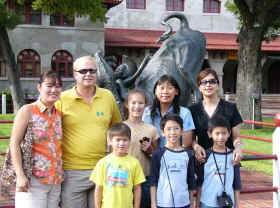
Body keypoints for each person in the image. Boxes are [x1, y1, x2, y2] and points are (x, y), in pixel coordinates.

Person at [56, 56, 122, 208]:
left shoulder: (107, 96)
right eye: (83, 71)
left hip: (102, 168)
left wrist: (115, 161)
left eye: (92, 70)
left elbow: (117, 130)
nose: (88, 74)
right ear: (74, 74)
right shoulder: (62, 99)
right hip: (72, 171)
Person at [9, 69, 64, 208]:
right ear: (39, 87)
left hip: (55, 180)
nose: (54, 90)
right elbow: (14, 143)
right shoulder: (27, 111)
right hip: (33, 180)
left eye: (57, 86)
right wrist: (20, 175)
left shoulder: (58, 114)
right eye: (49, 85)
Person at [189, 69, 243, 165]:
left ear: (218, 85)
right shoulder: (193, 110)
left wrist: (238, 149)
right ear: (199, 87)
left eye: (212, 81)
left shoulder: (230, 108)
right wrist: (196, 147)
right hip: (204, 160)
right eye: (204, 82)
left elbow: (236, 137)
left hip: (228, 160)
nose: (208, 85)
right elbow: (191, 138)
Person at [90, 122, 146, 208]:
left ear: (130, 141)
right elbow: (99, 188)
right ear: (110, 141)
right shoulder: (103, 162)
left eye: (125, 140)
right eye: (118, 140)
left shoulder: (134, 163)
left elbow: (137, 188)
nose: (121, 143)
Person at [150, 114, 196, 208]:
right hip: (163, 203)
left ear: (182, 131)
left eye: (176, 128)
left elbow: (191, 180)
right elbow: (153, 181)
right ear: (162, 132)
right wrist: (153, 204)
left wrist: (192, 202)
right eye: (169, 129)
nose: (173, 132)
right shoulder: (157, 154)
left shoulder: (188, 154)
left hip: (184, 203)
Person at [123, 89, 159, 208]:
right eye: (133, 103)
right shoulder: (121, 127)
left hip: (145, 178)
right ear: (127, 105)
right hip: (124, 177)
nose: (137, 107)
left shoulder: (151, 129)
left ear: (145, 106)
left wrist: (150, 151)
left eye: (140, 103)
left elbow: (156, 157)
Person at [196, 115, 242, 208]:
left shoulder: (234, 156)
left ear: (229, 134)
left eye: (224, 133)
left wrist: (237, 205)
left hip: (227, 203)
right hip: (206, 203)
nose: (221, 137)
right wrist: (197, 204)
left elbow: (236, 184)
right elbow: (200, 183)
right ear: (210, 134)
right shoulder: (205, 156)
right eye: (217, 133)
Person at [142, 75, 195, 149]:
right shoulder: (148, 112)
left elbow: (186, 144)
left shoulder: (184, 113)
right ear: (155, 91)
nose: (165, 91)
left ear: (176, 91)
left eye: (170, 88)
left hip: (178, 156)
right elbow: (145, 137)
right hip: (153, 156)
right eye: (162, 88)